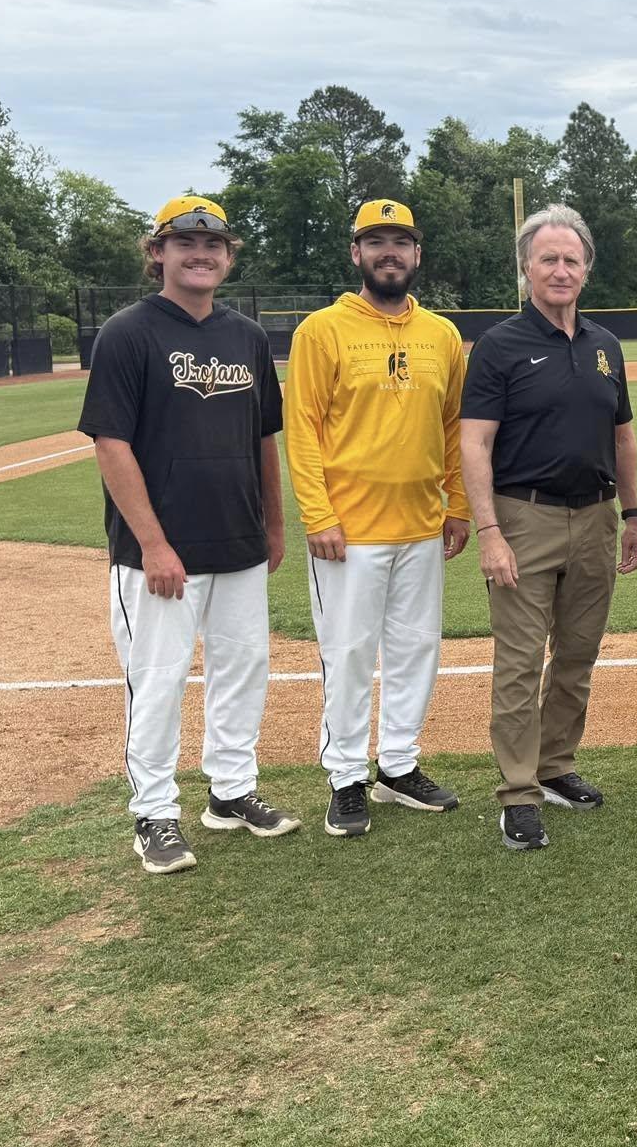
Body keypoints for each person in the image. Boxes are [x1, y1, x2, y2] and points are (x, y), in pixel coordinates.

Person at [77, 195, 298, 875]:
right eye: (185, 243)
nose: (201, 254)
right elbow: (111, 444)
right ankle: (155, 813)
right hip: (160, 552)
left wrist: (274, 520)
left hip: (236, 539)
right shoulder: (128, 333)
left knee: (243, 669)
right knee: (159, 679)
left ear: (228, 258)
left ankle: (230, 793)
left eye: (214, 245)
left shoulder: (246, 336)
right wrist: (154, 544)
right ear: (158, 254)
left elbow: (265, 437)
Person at [459, 205, 637, 852]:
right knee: (517, 664)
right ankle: (517, 793)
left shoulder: (605, 346)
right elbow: (475, 443)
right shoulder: (500, 346)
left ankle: (556, 765)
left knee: (576, 656)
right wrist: (489, 531)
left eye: (571, 259)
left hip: (595, 517)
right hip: (524, 516)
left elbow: (623, 437)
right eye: (548, 259)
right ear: (526, 270)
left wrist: (633, 514)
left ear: (587, 269)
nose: (560, 270)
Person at [285, 199, 472, 840]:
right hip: (349, 531)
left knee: (416, 649)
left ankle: (397, 764)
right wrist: (318, 513)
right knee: (348, 653)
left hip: (421, 525)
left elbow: (453, 428)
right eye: (376, 242)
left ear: (417, 254)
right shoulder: (322, 330)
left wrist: (461, 505)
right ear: (356, 253)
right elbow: (302, 429)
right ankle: (344, 777)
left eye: (400, 241)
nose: (388, 252)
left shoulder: (441, 335)